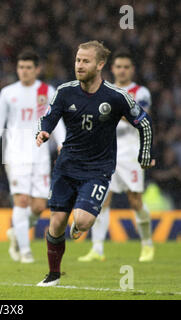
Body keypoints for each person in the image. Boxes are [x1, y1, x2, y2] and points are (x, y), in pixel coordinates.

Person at [35, 41, 155, 287]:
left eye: (85, 61)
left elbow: (143, 122)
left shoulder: (116, 96)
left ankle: (84, 227)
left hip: (97, 170)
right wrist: (44, 132)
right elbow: (48, 118)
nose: (79, 65)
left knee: (82, 221)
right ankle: (53, 275)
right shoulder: (64, 91)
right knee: (56, 223)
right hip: (66, 167)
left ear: (100, 65)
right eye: (78, 60)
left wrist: (144, 153)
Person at [0, 49, 65, 263]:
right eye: (21, 67)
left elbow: (56, 119)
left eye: (29, 68)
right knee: (21, 200)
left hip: (40, 155)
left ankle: (16, 232)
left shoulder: (47, 90)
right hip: (16, 154)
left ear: (37, 69)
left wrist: (62, 143)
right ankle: (25, 251)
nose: (24, 71)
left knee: (38, 206)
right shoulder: (8, 93)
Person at [78, 51, 154, 263]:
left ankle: (147, 244)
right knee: (102, 199)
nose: (122, 70)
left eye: (126, 67)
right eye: (118, 66)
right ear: (112, 68)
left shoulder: (141, 92)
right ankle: (97, 249)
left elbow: (141, 119)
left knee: (135, 200)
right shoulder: (103, 90)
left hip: (131, 154)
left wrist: (114, 111)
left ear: (132, 70)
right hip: (106, 153)